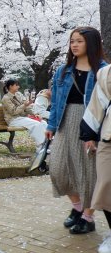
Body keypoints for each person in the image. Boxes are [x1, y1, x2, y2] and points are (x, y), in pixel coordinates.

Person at [46, 26, 107, 235]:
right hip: (65, 121)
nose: (74, 45)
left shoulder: (103, 70)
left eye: (79, 41)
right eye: (72, 41)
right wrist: (51, 125)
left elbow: (106, 105)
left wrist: (95, 133)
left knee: (90, 171)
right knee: (58, 168)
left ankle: (88, 217)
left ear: (91, 43)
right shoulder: (63, 71)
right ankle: (78, 206)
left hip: (91, 122)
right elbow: (55, 102)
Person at [80, 65, 111, 252]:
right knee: (106, 184)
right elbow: (97, 102)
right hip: (109, 135)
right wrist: (89, 133)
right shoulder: (106, 72)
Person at [1, 79, 47, 147]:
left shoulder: (19, 94)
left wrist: (34, 114)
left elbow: (27, 106)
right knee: (36, 124)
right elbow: (13, 112)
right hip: (13, 119)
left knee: (43, 123)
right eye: (16, 85)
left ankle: (47, 143)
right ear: (10, 86)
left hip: (23, 118)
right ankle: (41, 145)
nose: (18, 87)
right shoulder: (6, 98)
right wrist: (24, 105)